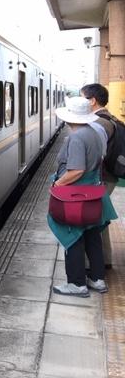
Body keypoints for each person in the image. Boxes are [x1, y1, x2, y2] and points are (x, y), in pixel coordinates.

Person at [49, 97, 118, 297]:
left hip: (76, 197)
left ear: (70, 117)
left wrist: (57, 184)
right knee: (92, 235)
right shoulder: (95, 132)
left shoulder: (77, 138)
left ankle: (77, 283)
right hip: (93, 194)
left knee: (73, 236)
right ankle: (97, 279)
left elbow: (76, 170)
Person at [80, 83, 116, 267]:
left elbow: (94, 155)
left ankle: (94, 264)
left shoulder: (99, 123)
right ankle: (105, 260)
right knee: (100, 217)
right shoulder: (108, 117)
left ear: (92, 100)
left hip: (102, 177)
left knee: (93, 220)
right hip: (108, 176)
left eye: (82, 98)